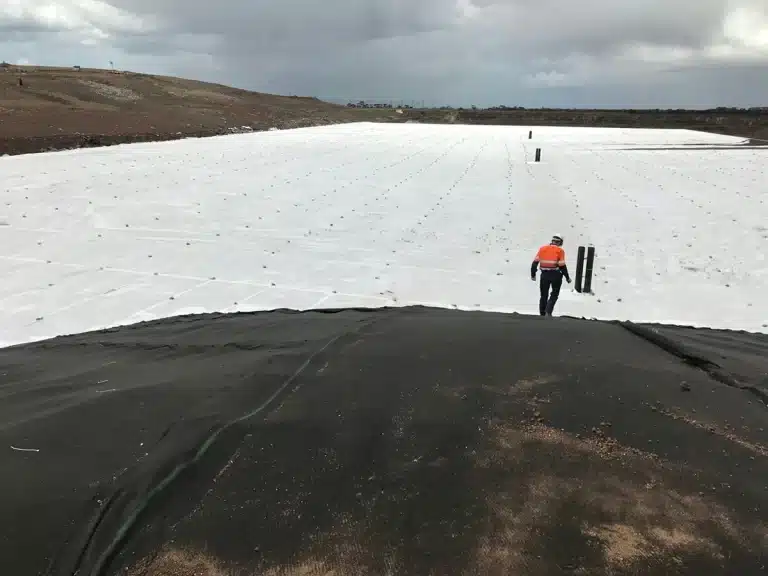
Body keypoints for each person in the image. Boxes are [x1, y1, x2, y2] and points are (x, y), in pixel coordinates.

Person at [531, 234, 571, 316]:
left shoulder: (542, 249)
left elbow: (535, 263)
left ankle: (542, 313)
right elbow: (562, 265)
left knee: (543, 295)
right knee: (554, 294)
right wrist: (567, 277)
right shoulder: (560, 251)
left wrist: (533, 274)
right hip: (556, 275)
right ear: (560, 242)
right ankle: (548, 311)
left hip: (544, 274)